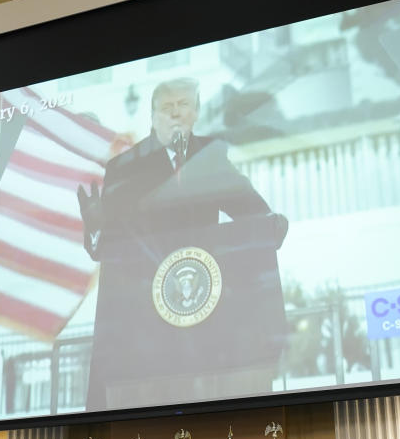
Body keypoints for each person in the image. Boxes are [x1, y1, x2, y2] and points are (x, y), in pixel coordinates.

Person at [79, 77, 288, 409]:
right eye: (167, 107)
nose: (175, 114)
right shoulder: (124, 166)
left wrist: (271, 226)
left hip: (205, 321)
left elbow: (253, 214)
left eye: (183, 106)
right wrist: (95, 229)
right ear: (152, 116)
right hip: (144, 326)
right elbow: (106, 248)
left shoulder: (212, 155)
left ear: (197, 112)